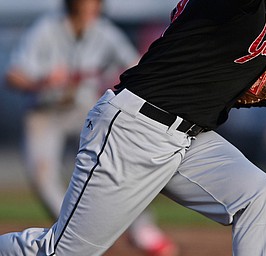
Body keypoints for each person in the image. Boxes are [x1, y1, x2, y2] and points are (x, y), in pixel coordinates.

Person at [0, 0, 266, 255]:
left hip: (188, 135)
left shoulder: (255, 12)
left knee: (257, 193)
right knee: (62, 252)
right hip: (137, 129)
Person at [4, 0, 178, 255]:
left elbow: (134, 64)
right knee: (43, 177)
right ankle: (72, 236)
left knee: (116, 165)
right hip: (45, 113)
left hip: (83, 110)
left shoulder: (104, 30)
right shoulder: (47, 29)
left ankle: (142, 230)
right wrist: (41, 81)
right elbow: (13, 76)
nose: (90, 6)